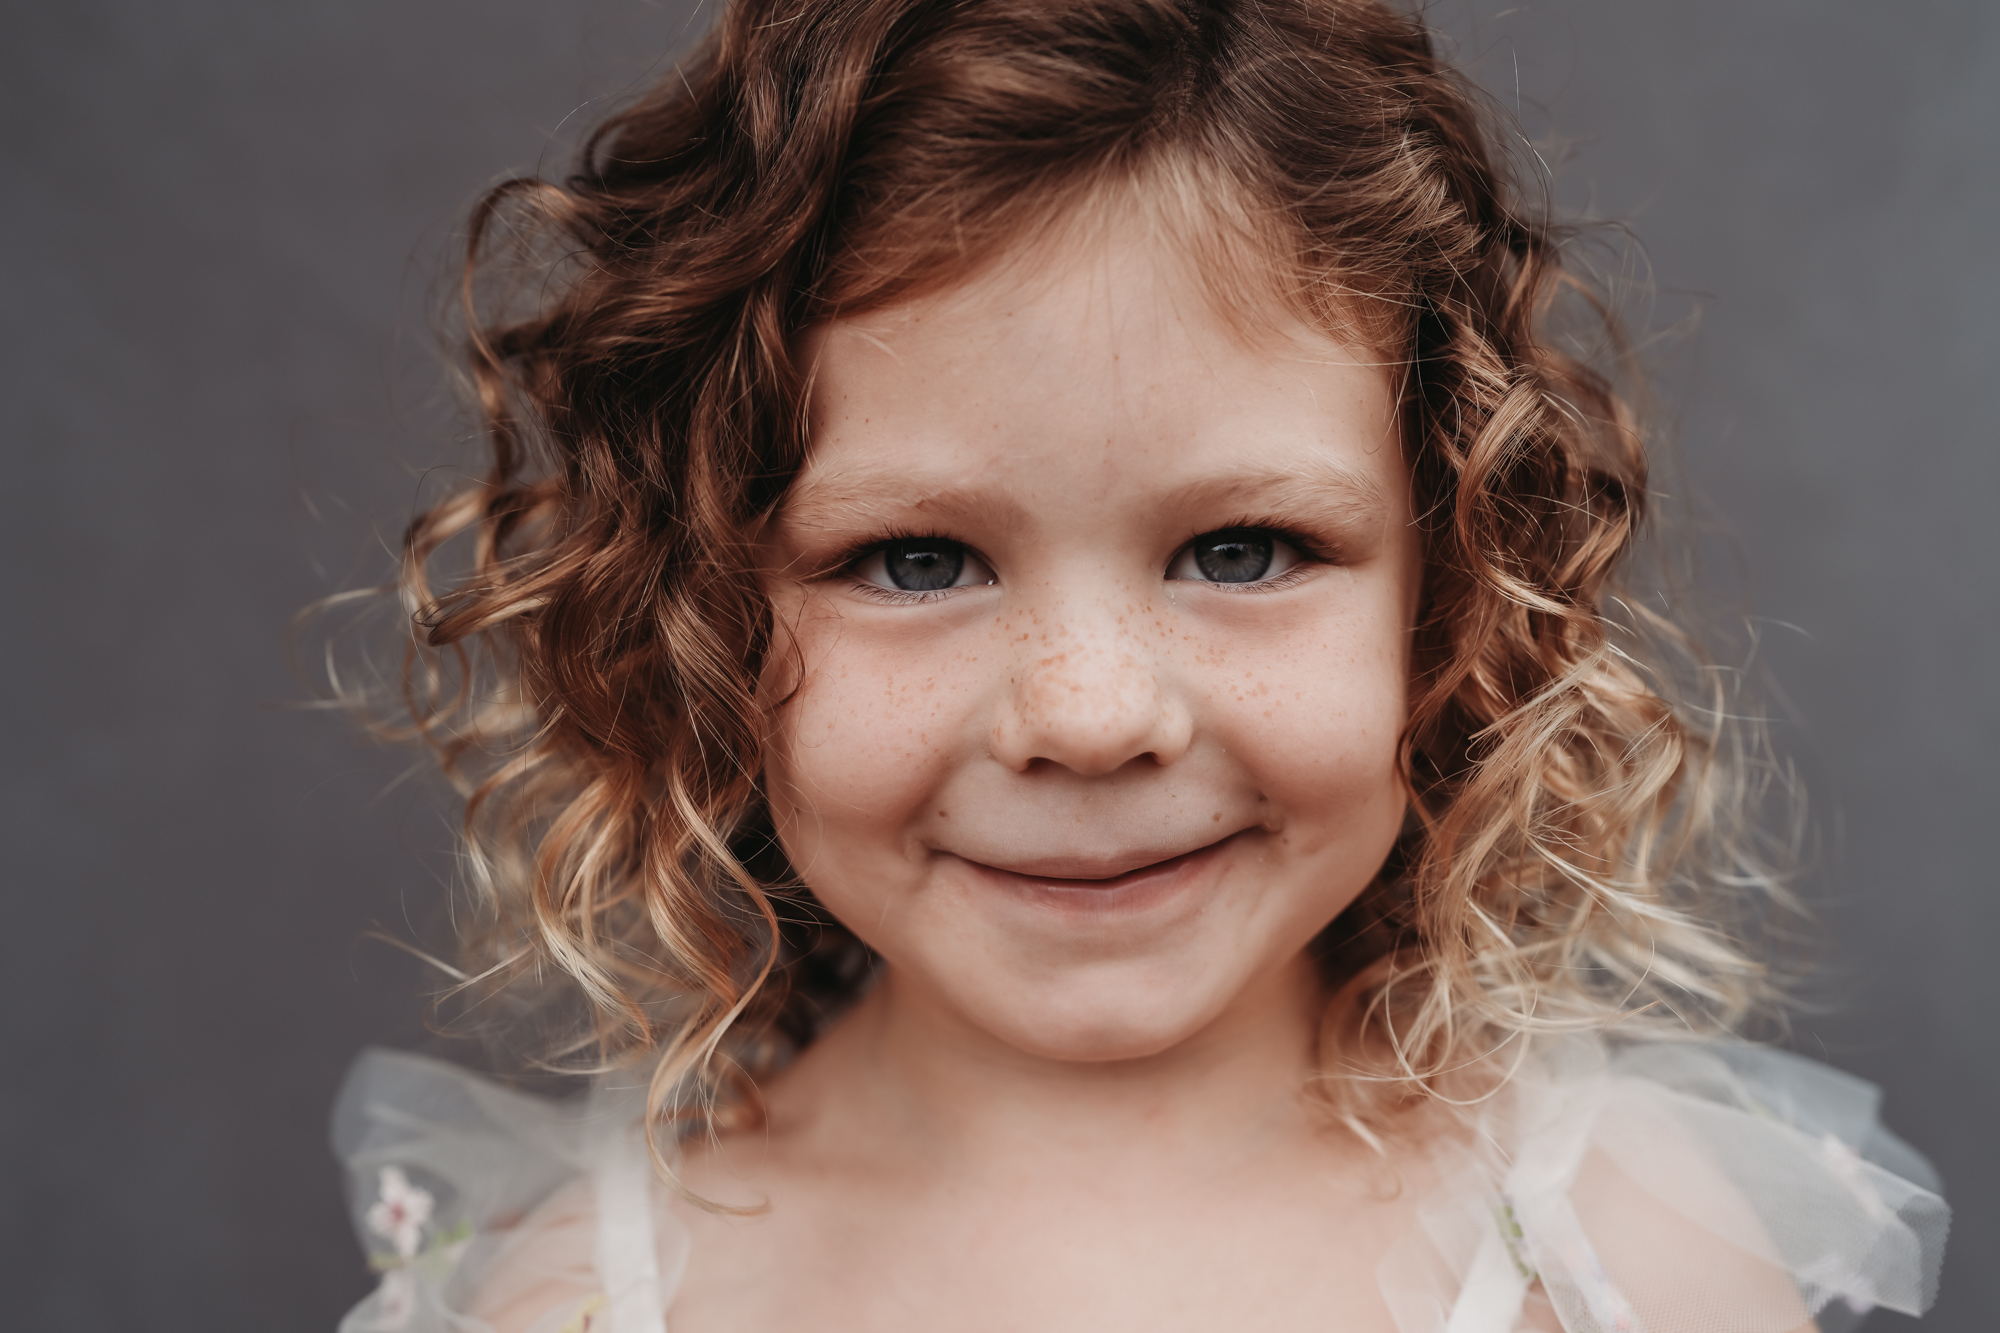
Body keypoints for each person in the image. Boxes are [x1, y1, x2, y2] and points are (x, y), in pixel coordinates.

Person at [327, 1, 1948, 1329]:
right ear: (702, 621)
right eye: (916, 560)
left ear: (1448, 593)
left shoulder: (1622, 1263)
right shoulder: (583, 1305)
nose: (1092, 717)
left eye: (1242, 550)